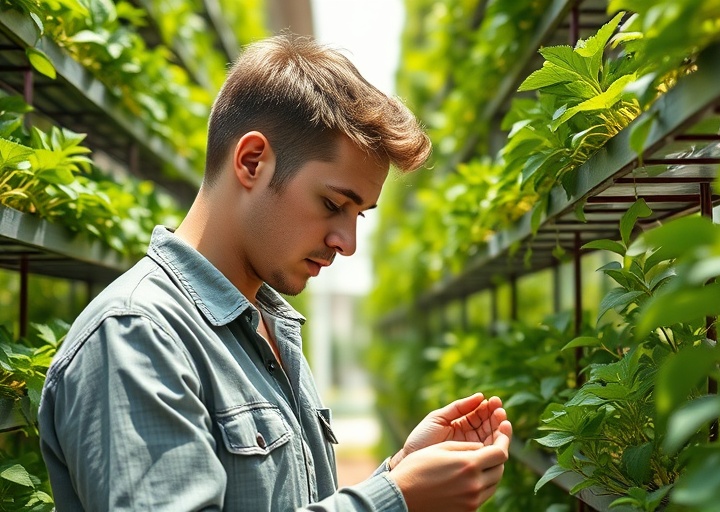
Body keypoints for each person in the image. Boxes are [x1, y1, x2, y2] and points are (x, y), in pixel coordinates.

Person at [38, 35, 512, 511]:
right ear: (252, 162)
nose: (346, 243)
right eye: (332, 204)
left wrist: (400, 471)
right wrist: (395, 500)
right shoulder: (136, 336)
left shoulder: (269, 328)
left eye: (359, 215)